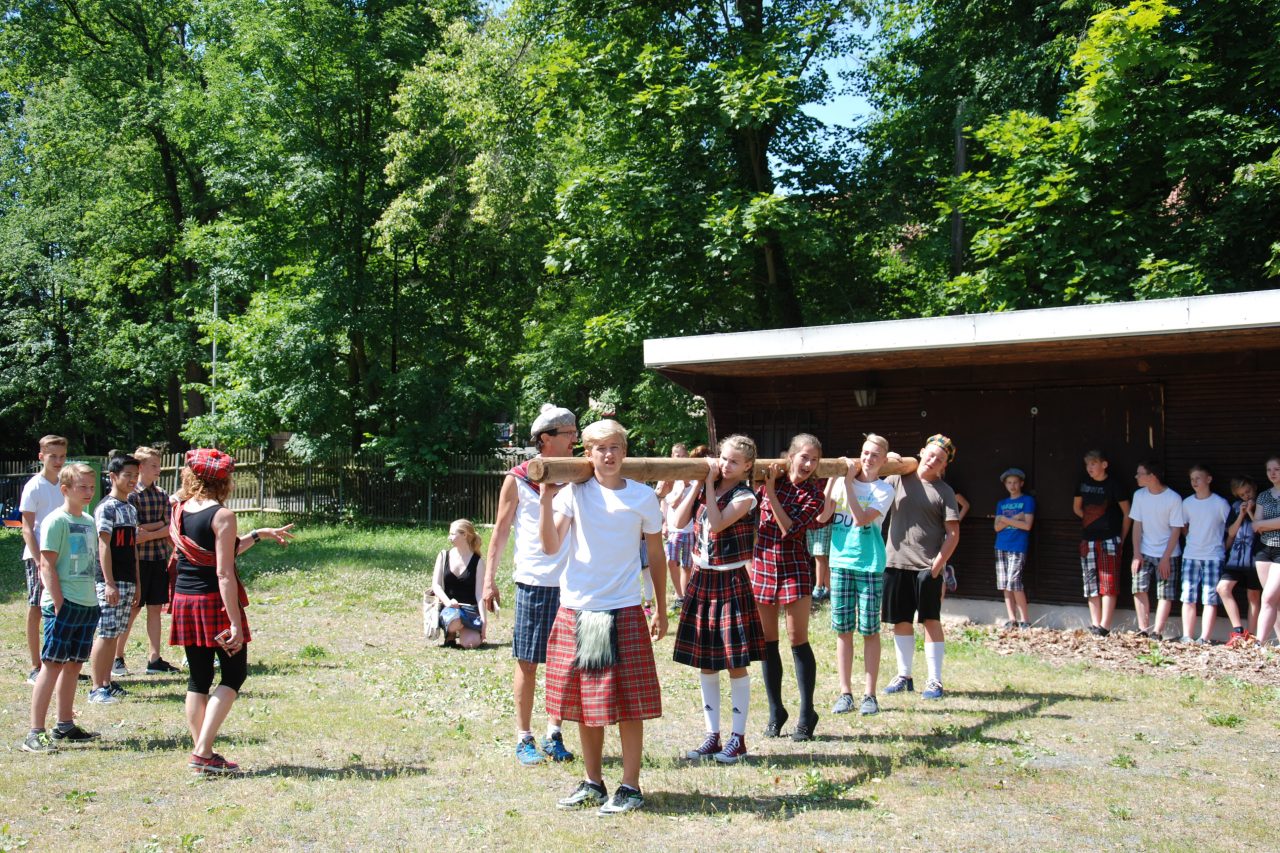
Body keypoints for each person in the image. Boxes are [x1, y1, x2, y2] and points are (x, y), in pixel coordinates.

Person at [539, 419, 666, 815]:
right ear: (588, 454)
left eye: (615, 447)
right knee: (585, 703)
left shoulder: (643, 497)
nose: (608, 455)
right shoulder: (575, 494)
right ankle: (594, 782)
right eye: (600, 449)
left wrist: (660, 605)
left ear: (624, 451)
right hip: (581, 609)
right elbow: (550, 546)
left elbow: (657, 555)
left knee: (629, 704)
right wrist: (545, 499)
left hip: (625, 607)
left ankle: (630, 786)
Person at [169, 448, 294, 774]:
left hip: (184, 598)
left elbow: (212, 553)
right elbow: (223, 572)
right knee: (234, 674)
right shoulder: (222, 516)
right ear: (224, 481)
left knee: (199, 677)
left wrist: (257, 535)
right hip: (212, 601)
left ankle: (203, 755)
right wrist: (235, 624)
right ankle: (202, 752)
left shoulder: (181, 509)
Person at [482, 404, 578, 766]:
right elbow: (501, 530)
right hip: (535, 581)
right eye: (568, 434)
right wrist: (489, 580)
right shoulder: (519, 477)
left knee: (566, 662)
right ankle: (524, 737)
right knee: (528, 661)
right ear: (546, 439)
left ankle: (555, 732)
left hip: (573, 583)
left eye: (574, 433)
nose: (575, 439)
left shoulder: (579, 474)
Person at [670, 434, 764, 763]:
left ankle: (738, 738)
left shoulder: (746, 496)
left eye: (734, 461)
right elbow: (677, 522)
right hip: (702, 579)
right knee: (706, 662)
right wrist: (698, 484)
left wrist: (709, 483)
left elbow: (717, 525)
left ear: (748, 466)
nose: (725, 465)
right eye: (723, 458)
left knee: (735, 663)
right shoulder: (706, 487)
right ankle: (712, 735)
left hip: (730, 580)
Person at [819, 434, 906, 717]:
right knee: (843, 630)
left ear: (883, 461)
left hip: (869, 563)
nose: (868, 459)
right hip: (840, 561)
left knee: (869, 630)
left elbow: (861, 518)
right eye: (865, 453)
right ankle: (845, 693)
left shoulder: (884, 489)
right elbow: (823, 515)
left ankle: (869, 694)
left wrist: (847, 482)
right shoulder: (844, 481)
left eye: (875, 455)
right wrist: (835, 477)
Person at [22, 463, 101, 752]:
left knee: (74, 665)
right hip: (63, 604)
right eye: (82, 487)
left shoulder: (90, 521)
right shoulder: (56, 521)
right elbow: (46, 565)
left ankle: (64, 725)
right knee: (52, 664)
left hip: (87, 604)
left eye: (91, 487)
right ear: (65, 489)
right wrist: (58, 604)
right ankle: (35, 732)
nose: (88, 492)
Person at [752, 433, 826, 741]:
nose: (808, 464)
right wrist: (767, 487)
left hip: (795, 568)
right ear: (791, 456)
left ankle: (807, 713)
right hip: (764, 566)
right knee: (768, 643)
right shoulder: (770, 482)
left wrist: (769, 491)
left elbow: (789, 528)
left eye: (814, 460)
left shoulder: (814, 495)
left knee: (798, 640)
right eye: (804, 457)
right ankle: (775, 711)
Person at [882, 434, 960, 701]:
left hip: (927, 567)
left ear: (944, 465)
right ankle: (904, 675)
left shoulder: (945, 492)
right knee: (900, 621)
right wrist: (889, 460)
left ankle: (935, 680)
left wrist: (937, 567)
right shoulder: (898, 478)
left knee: (930, 620)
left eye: (939, 459)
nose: (933, 460)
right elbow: (872, 482)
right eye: (930, 454)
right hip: (895, 562)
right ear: (921, 452)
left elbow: (953, 534)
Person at [118, 445, 180, 676]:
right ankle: (118, 657)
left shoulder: (162, 494)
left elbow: (169, 527)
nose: (159, 470)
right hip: (137, 561)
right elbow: (133, 531)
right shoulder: (131, 496)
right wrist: (157, 527)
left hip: (158, 559)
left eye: (159, 465)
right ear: (141, 467)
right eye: (154, 466)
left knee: (155, 608)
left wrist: (150, 531)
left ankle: (154, 659)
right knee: (132, 609)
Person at [88, 454, 140, 704]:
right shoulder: (106, 507)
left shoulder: (130, 508)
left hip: (128, 580)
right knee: (106, 633)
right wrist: (108, 582)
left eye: (135, 475)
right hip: (110, 580)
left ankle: (107, 681)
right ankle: (96, 687)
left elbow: (132, 549)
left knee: (116, 632)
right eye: (127, 475)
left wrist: (137, 582)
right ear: (113, 477)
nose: (133, 480)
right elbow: (104, 545)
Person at [19, 435, 68, 685]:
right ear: (41, 457)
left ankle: (62, 661)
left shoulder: (66, 484)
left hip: (64, 556)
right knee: (37, 607)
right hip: (38, 556)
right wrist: (39, 560)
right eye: (53, 456)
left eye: (62, 456)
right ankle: (36, 665)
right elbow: (27, 527)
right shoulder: (33, 486)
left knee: (64, 607)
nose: (58, 461)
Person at [1073, 449, 1131, 636]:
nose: (1090, 468)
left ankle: (1104, 626)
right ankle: (1094, 622)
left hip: (1110, 538)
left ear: (1104, 465)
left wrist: (1121, 536)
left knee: (1109, 581)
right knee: (1090, 582)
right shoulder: (1083, 483)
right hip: (1088, 538)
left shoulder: (1114, 485)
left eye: (1093, 464)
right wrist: (1091, 520)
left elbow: (1127, 513)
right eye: (1087, 464)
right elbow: (1076, 507)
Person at [1128, 460, 1185, 639]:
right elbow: (1137, 525)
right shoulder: (1139, 495)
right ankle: (1143, 628)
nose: (1136, 477)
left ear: (1152, 476)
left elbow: (1176, 529)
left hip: (1168, 552)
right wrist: (1136, 553)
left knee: (1165, 592)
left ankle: (1157, 632)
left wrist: (1166, 558)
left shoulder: (1173, 498)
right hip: (1145, 549)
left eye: (1140, 473)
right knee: (1138, 586)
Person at [1179, 464, 1229, 643]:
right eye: (1192, 479)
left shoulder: (1220, 503)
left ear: (1208, 479)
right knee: (1188, 596)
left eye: (1198, 478)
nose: (1194, 482)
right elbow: (1183, 526)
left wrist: (1223, 547)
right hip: (1191, 555)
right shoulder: (1187, 503)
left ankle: (1205, 637)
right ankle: (1187, 635)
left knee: (1209, 598)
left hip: (1213, 556)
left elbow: (1230, 529)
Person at [1219, 476, 1262, 645]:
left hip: (1254, 555)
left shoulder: (1262, 503)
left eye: (1248, 492)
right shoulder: (1236, 507)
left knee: (1253, 595)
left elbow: (1259, 528)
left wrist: (1251, 511)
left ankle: (1251, 635)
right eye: (1242, 494)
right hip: (1236, 556)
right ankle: (1238, 631)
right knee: (1223, 588)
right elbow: (1230, 532)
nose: (1246, 496)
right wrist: (1241, 514)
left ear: (1254, 488)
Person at [432, 519, 486, 648]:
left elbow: (479, 595)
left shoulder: (478, 562)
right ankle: (451, 634)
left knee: (470, 644)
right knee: (453, 621)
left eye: (452, 534)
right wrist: (448, 602)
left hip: (469, 610)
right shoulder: (443, 555)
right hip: (449, 608)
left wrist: (484, 621)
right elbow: (436, 585)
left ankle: (466, 631)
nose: (449, 537)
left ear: (464, 535)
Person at [993, 468, 1035, 629]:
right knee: (1004, 584)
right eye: (1009, 483)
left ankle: (1025, 620)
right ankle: (1012, 619)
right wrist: (1015, 518)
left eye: (1015, 482)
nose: (1012, 485)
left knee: (1014, 582)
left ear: (1021, 483)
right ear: (1005, 484)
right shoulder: (1001, 503)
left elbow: (1027, 525)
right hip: (1000, 545)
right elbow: (997, 527)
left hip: (1018, 546)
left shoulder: (1028, 500)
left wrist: (1005, 519)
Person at [655, 443, 693, 610]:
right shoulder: (667, 476)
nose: (678, 458)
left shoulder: (693, 476)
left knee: (687, 564)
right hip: (673, 528)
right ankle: (679, 595)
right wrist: (663, 523)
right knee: (671, 561)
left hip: (690, 528)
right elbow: (665, 501)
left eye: (681, 455)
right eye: (675, 455)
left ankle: (684, 596)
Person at [1252, 455, 1280, 646]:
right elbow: (1255, 526)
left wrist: (1263, 524)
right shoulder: (1263, 496)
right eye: (1269, 470)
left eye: (1276, 469)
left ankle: (1258, 643)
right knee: (1272, 599)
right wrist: (1264, 524)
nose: (1272, 473)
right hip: (1264, 550)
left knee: (1269, 597)